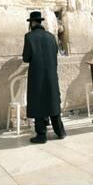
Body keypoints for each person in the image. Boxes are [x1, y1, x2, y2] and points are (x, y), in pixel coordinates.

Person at [22, 11, 66, 144]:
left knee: (38, 102)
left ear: (32, 23)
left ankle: (41, 135)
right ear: (40, 22)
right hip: (51, 74)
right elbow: (55, 53)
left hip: (37, 76)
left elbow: (26, 58)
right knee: (52, 101)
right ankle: (60, 131)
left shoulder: (29, 37)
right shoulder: (51, 37)